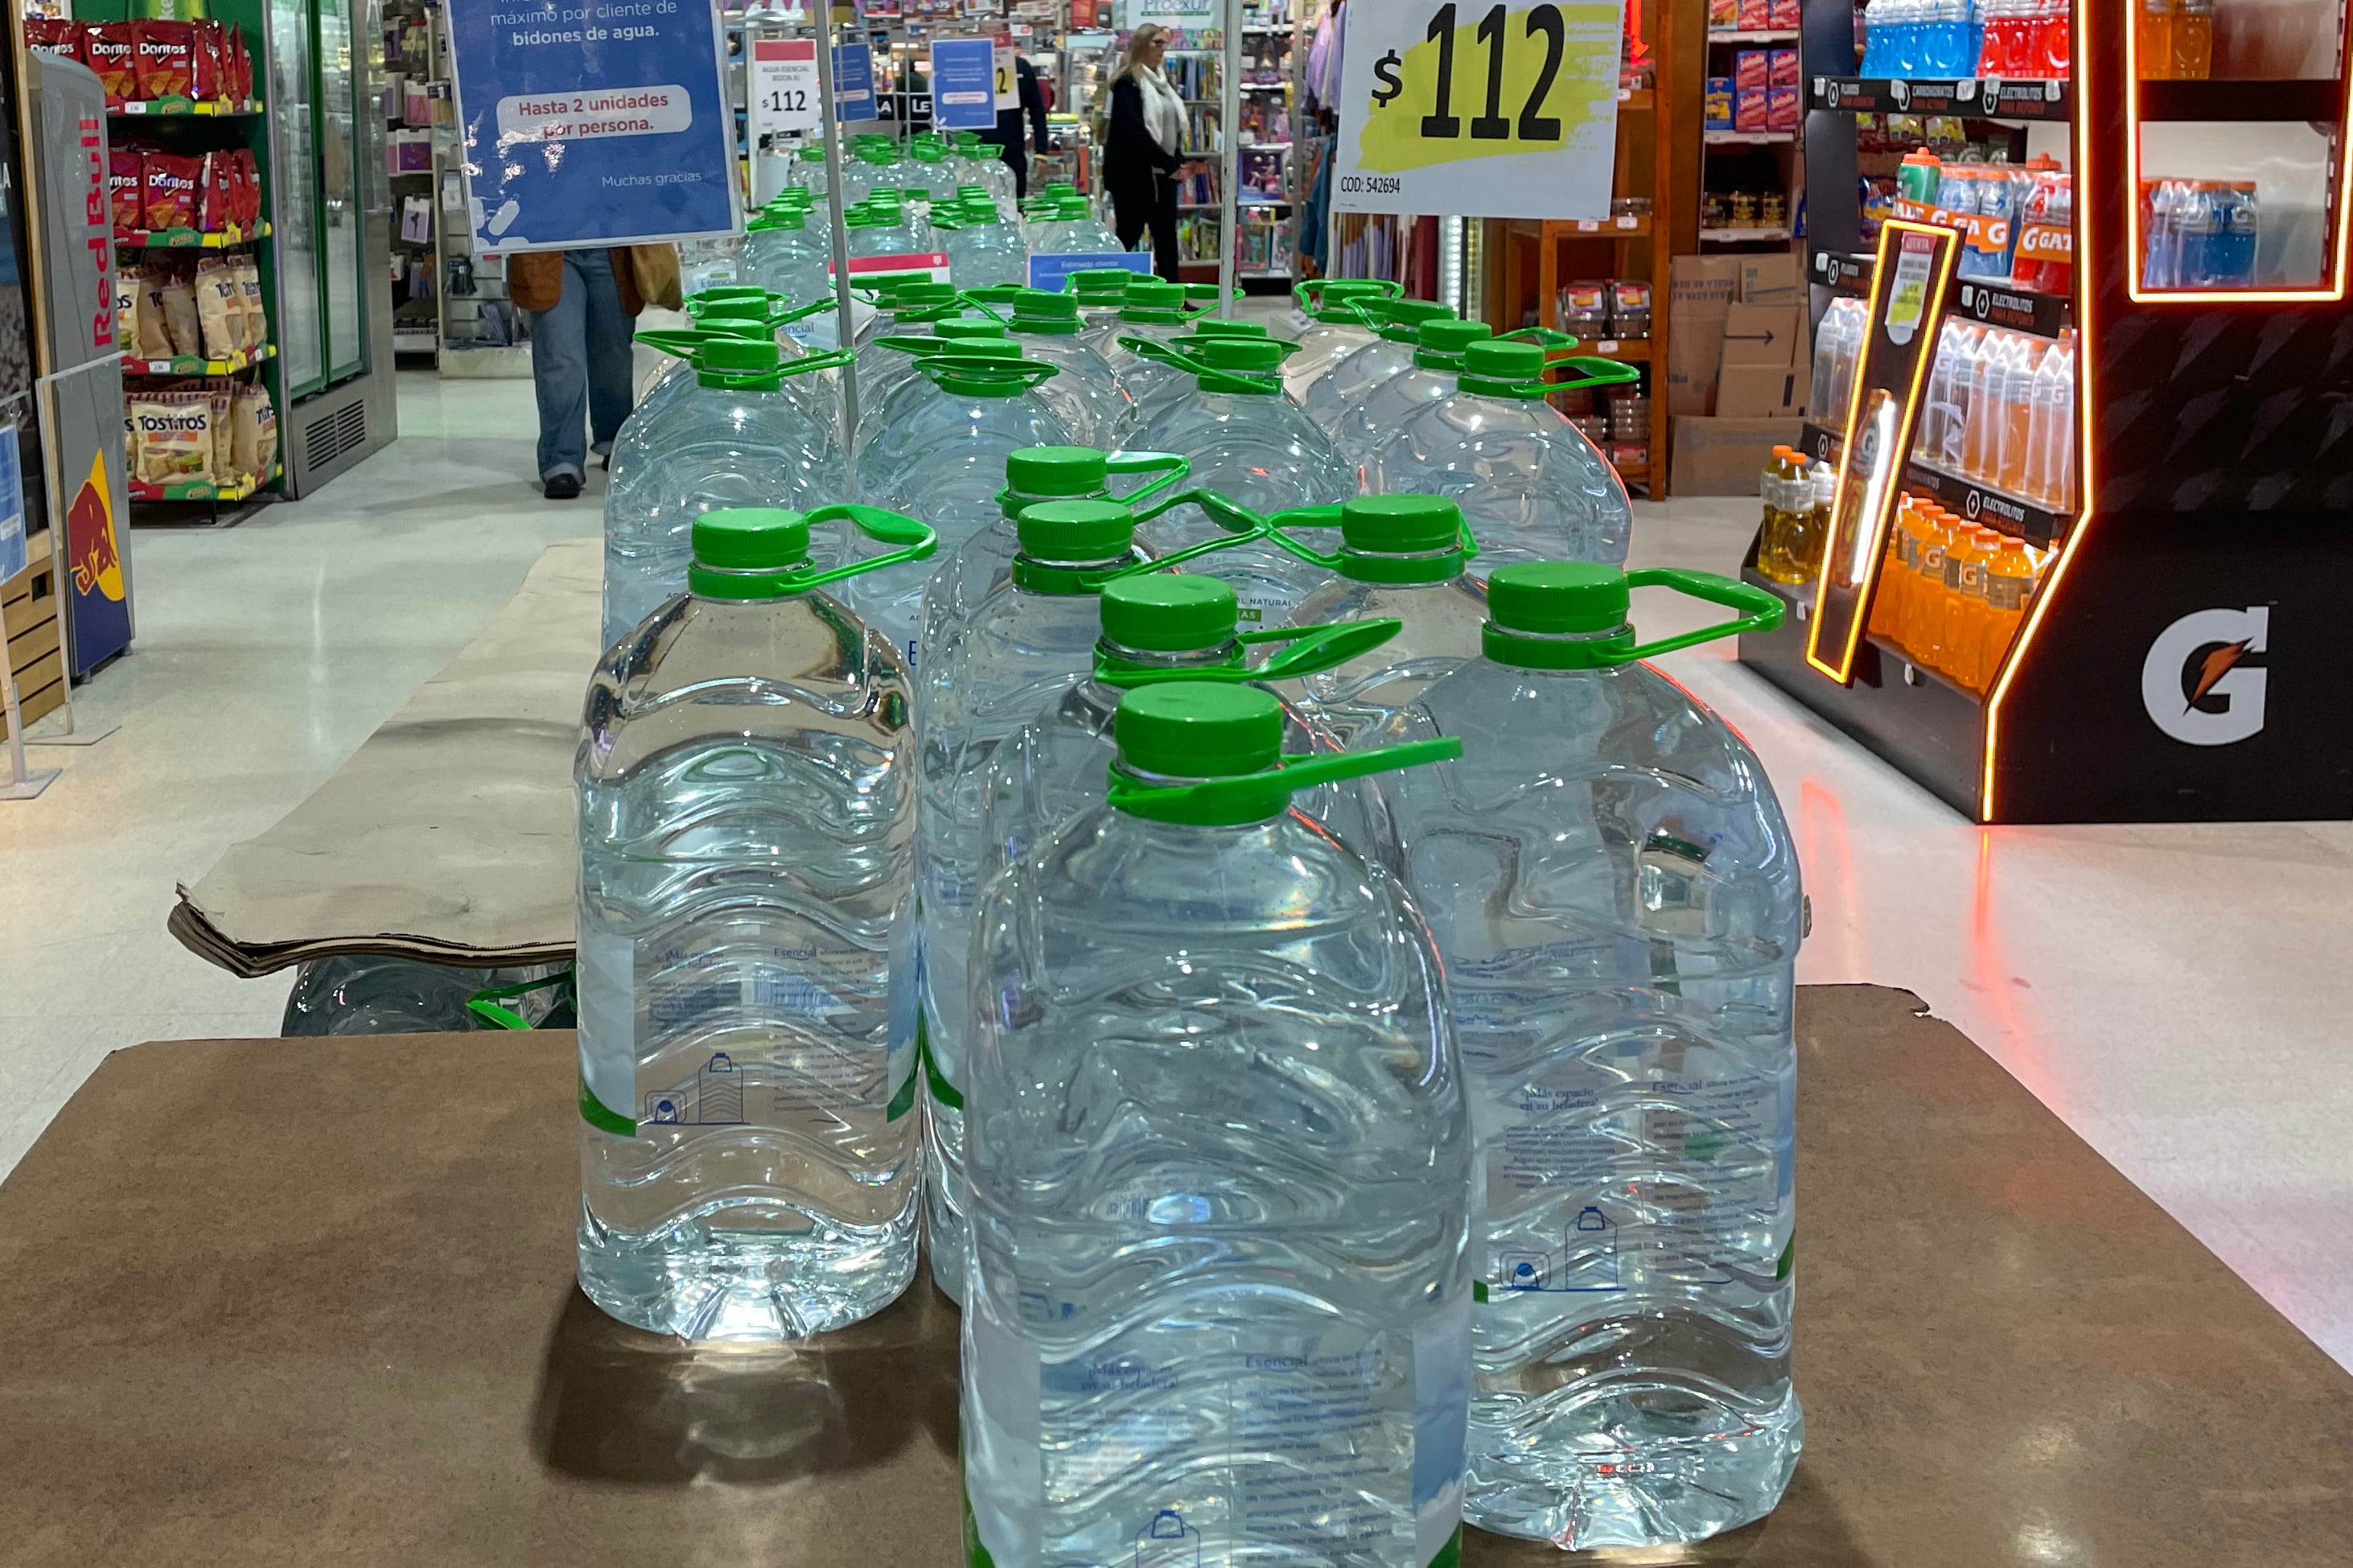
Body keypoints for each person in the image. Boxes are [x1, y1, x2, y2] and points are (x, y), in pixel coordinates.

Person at [508, 245, 680, 500]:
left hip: (614, 247)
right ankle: (561, 459)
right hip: (547, 250)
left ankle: (614, 439)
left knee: (613, 357)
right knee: (560, 356)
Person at [1102, 24, 1189, 282]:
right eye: (1157, 43)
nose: (1162, 49)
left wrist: (1177, 161)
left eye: (1164, 43)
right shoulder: (1127, 83)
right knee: (1128, 236)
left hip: (1163, 177)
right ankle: (1112, 288)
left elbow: (1173, 126)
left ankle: (1173, 295)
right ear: (1141, 46)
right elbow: (1134, 132)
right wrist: (1168, 163)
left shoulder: (1163, 82)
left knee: (1166, 240)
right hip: (1133, 177)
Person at [977, 51, 1051, 200]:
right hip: (974, 153)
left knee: (1015, 204)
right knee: (976, 203)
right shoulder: (969, 67)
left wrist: (1041, 152)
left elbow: (1037, 111)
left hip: (1012, 152)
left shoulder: (1020, 67)